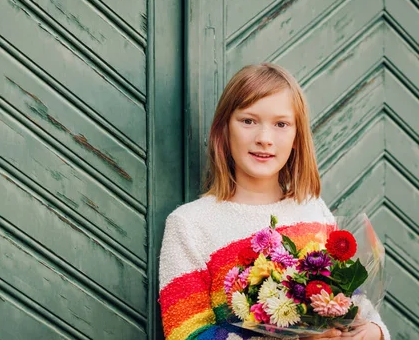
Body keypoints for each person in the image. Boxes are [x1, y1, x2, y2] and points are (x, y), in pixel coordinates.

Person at [158, 64, 389, 340]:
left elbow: (352, 303)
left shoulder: (314, 209)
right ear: (223, 130)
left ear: (296, 137)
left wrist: (373, 331)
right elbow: (187, 334)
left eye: (281, 124)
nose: (264, 139)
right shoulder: (189, 225)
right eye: (248, 121)